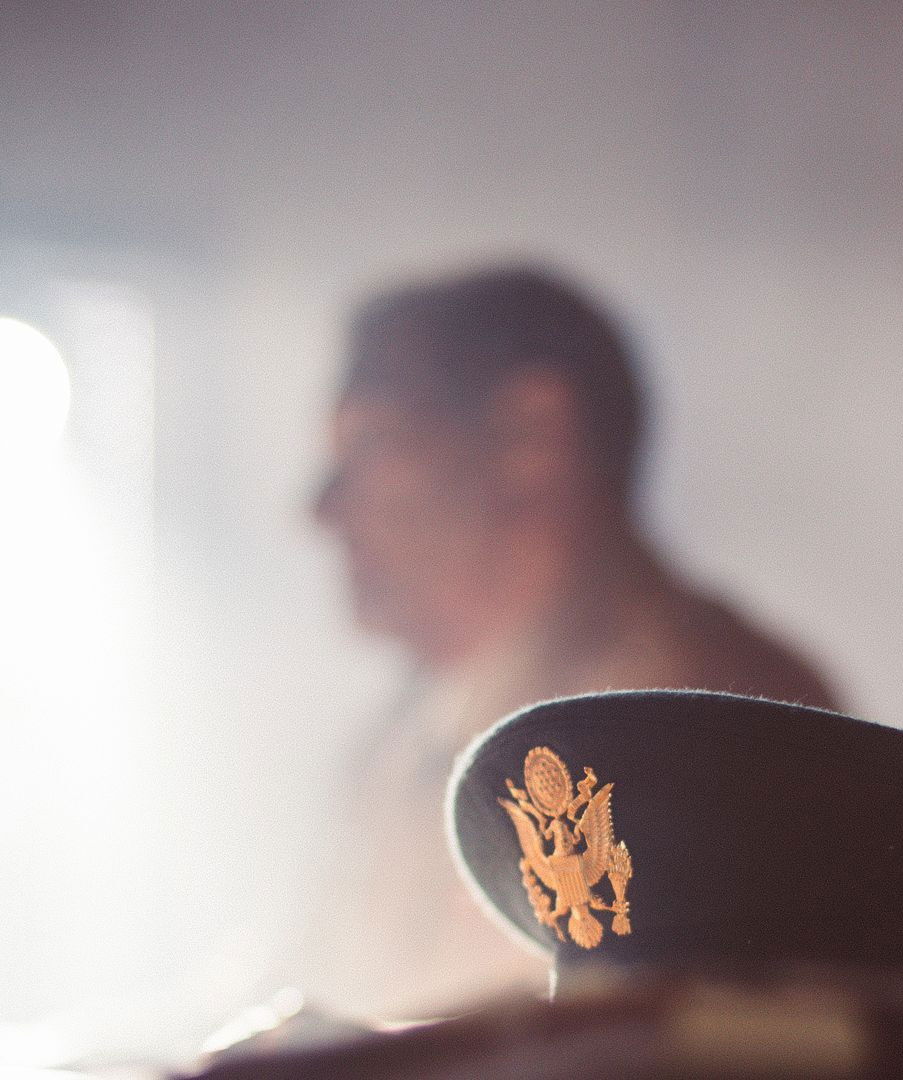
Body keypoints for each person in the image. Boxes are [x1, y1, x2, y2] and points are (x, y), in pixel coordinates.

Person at [302, 265, 838, 1019]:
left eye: (371, 444)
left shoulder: (718, 730)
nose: (320, 510)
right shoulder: (402, 739)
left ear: (533, 436)